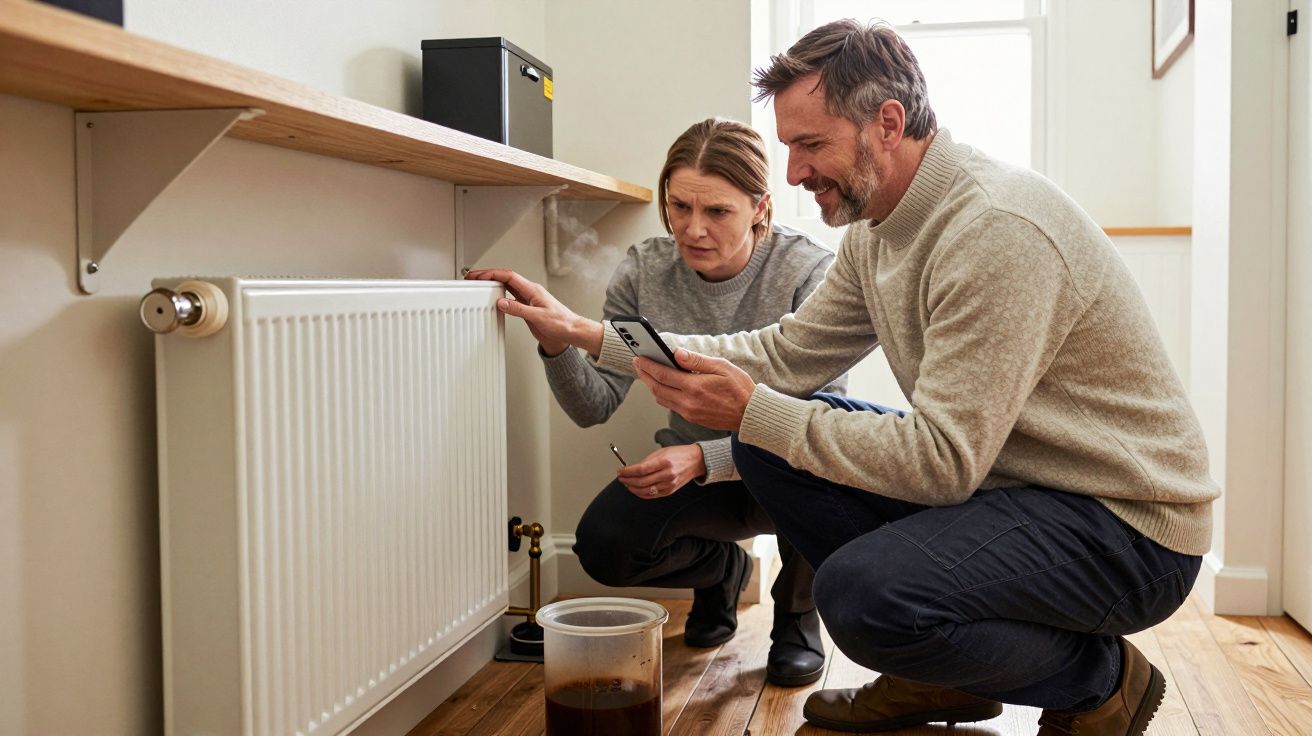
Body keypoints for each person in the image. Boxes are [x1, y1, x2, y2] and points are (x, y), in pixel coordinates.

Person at [470, 20, 1220, 736]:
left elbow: (942, 463)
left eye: (809, 145)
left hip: (1126, 524)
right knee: (766, 445)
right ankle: (937, 667)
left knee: (861, 595)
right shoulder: (879, 231)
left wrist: (752, 412)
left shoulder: (994, 230)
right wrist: (586, 335)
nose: (792, 172)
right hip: (1016, 489)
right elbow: (788, 352)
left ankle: (1101, 678)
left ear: (886, 124)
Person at [468, 117, 845, 686]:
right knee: (603, 547)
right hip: (695, 480)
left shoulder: (809, 271)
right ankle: (721, 570)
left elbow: (826, 420)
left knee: (834, 480)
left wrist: (704, 458)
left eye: (717, 212)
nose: (692, 229)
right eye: (678, 206)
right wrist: (556, 338)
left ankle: (796, 621)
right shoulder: (646, 269)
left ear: (760, 207)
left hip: (785, 466)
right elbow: (593, 405)